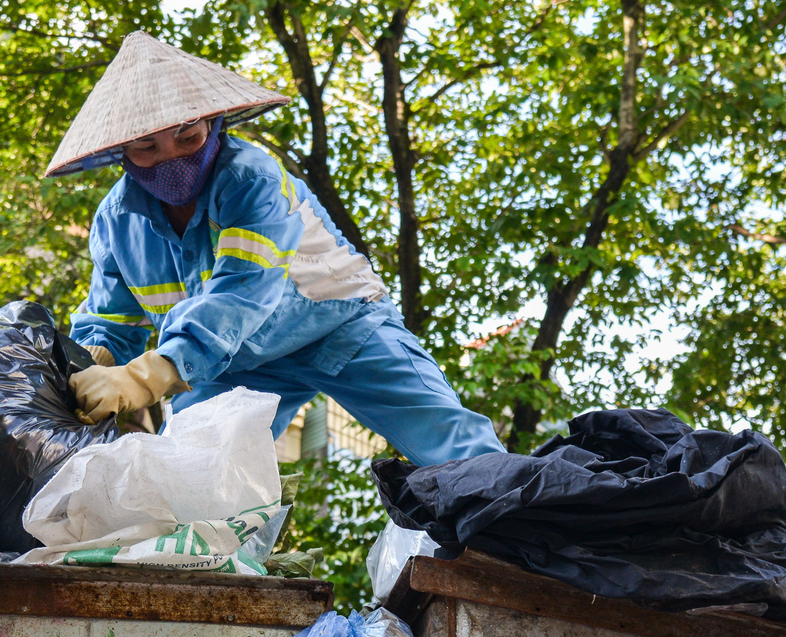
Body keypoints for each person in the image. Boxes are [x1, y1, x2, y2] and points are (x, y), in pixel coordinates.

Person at [44, 32, 504, 467]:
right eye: (147, 145)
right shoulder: (116, 220)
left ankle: (530, 534)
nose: (172, 156)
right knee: (183, 480)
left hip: (340, 328)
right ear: (122, 151)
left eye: (187, 135)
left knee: (453, 447)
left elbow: (240, 295)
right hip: (230, 364)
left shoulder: (252, 181)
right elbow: (111, 321)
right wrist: (85, 369)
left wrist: (146, 377)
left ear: (213, 122)